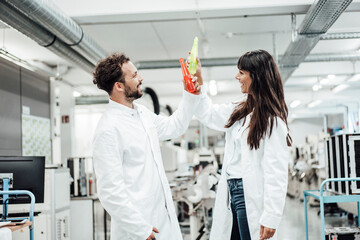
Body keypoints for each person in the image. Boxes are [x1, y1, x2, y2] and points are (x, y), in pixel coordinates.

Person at [92, 53, 201, 240]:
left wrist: (189, 94)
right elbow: (110, 192)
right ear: (118, 86)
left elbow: (173, 127)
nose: (140, 78)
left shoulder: (142, 113)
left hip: (161, 220)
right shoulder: (108, 129)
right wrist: (141, 229)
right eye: (134, 76)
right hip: (139, 230)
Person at [192, 50, 291, 240]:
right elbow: (209, 114)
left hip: (249, 196)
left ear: (257, 76)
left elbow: (276, 172)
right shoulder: (240, 111)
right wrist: (199, 80)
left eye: (241, 72)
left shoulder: (272, 120)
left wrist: (271, 215)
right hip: (232, 194)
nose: (237, 77)